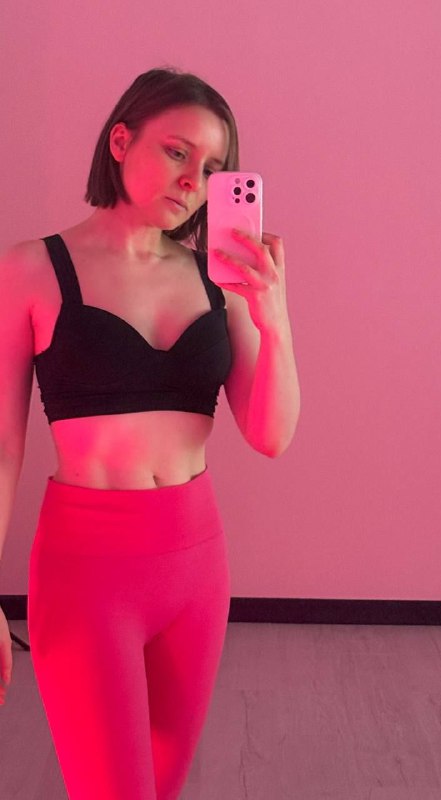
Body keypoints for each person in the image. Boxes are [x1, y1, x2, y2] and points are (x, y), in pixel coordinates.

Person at [0, 67, 300, 799]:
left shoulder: (219, 280)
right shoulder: (29, 269)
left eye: (213, 168)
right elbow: (1, 447)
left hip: (197, 566)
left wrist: (274, 315)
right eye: (176, 151)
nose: (194, 180)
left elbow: (270, 435)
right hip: (85, 572)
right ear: (120, 141)